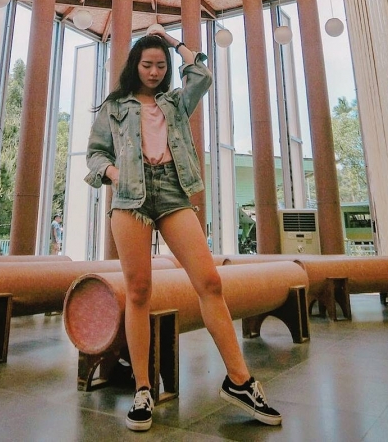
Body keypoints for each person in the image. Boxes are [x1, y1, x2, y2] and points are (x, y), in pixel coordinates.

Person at [85, 29, 282, 431]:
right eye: (147, 64)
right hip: (130, 196)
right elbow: (95, 153)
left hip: (173, 191)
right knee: (139, 291)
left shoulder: (175, 102)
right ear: (135, 66)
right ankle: (143, 389)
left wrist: (174, 42)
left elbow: (202, 76)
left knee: (209, 282)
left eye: (161, 65)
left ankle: (240, 381)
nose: (154, 72)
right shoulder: (115, 106)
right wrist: (114, 173)